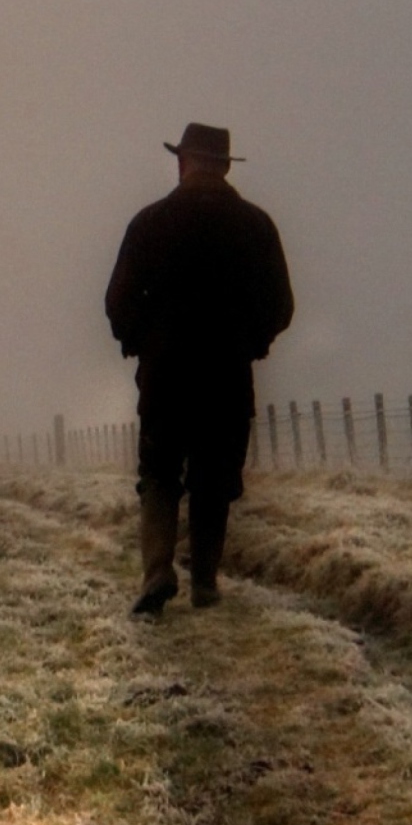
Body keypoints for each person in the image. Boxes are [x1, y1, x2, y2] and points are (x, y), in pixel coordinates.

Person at [104, 122, 293, 615]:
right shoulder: (256, 226)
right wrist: (253, 343)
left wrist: (136, 341)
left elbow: (118, 301)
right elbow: (281, 305)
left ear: (183, 162)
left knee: (160, 473)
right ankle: (205, 582)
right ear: (226, 166)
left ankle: (157, 572)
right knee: (214, 479)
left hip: (165, 374)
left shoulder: (149, 223)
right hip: (227, 375)